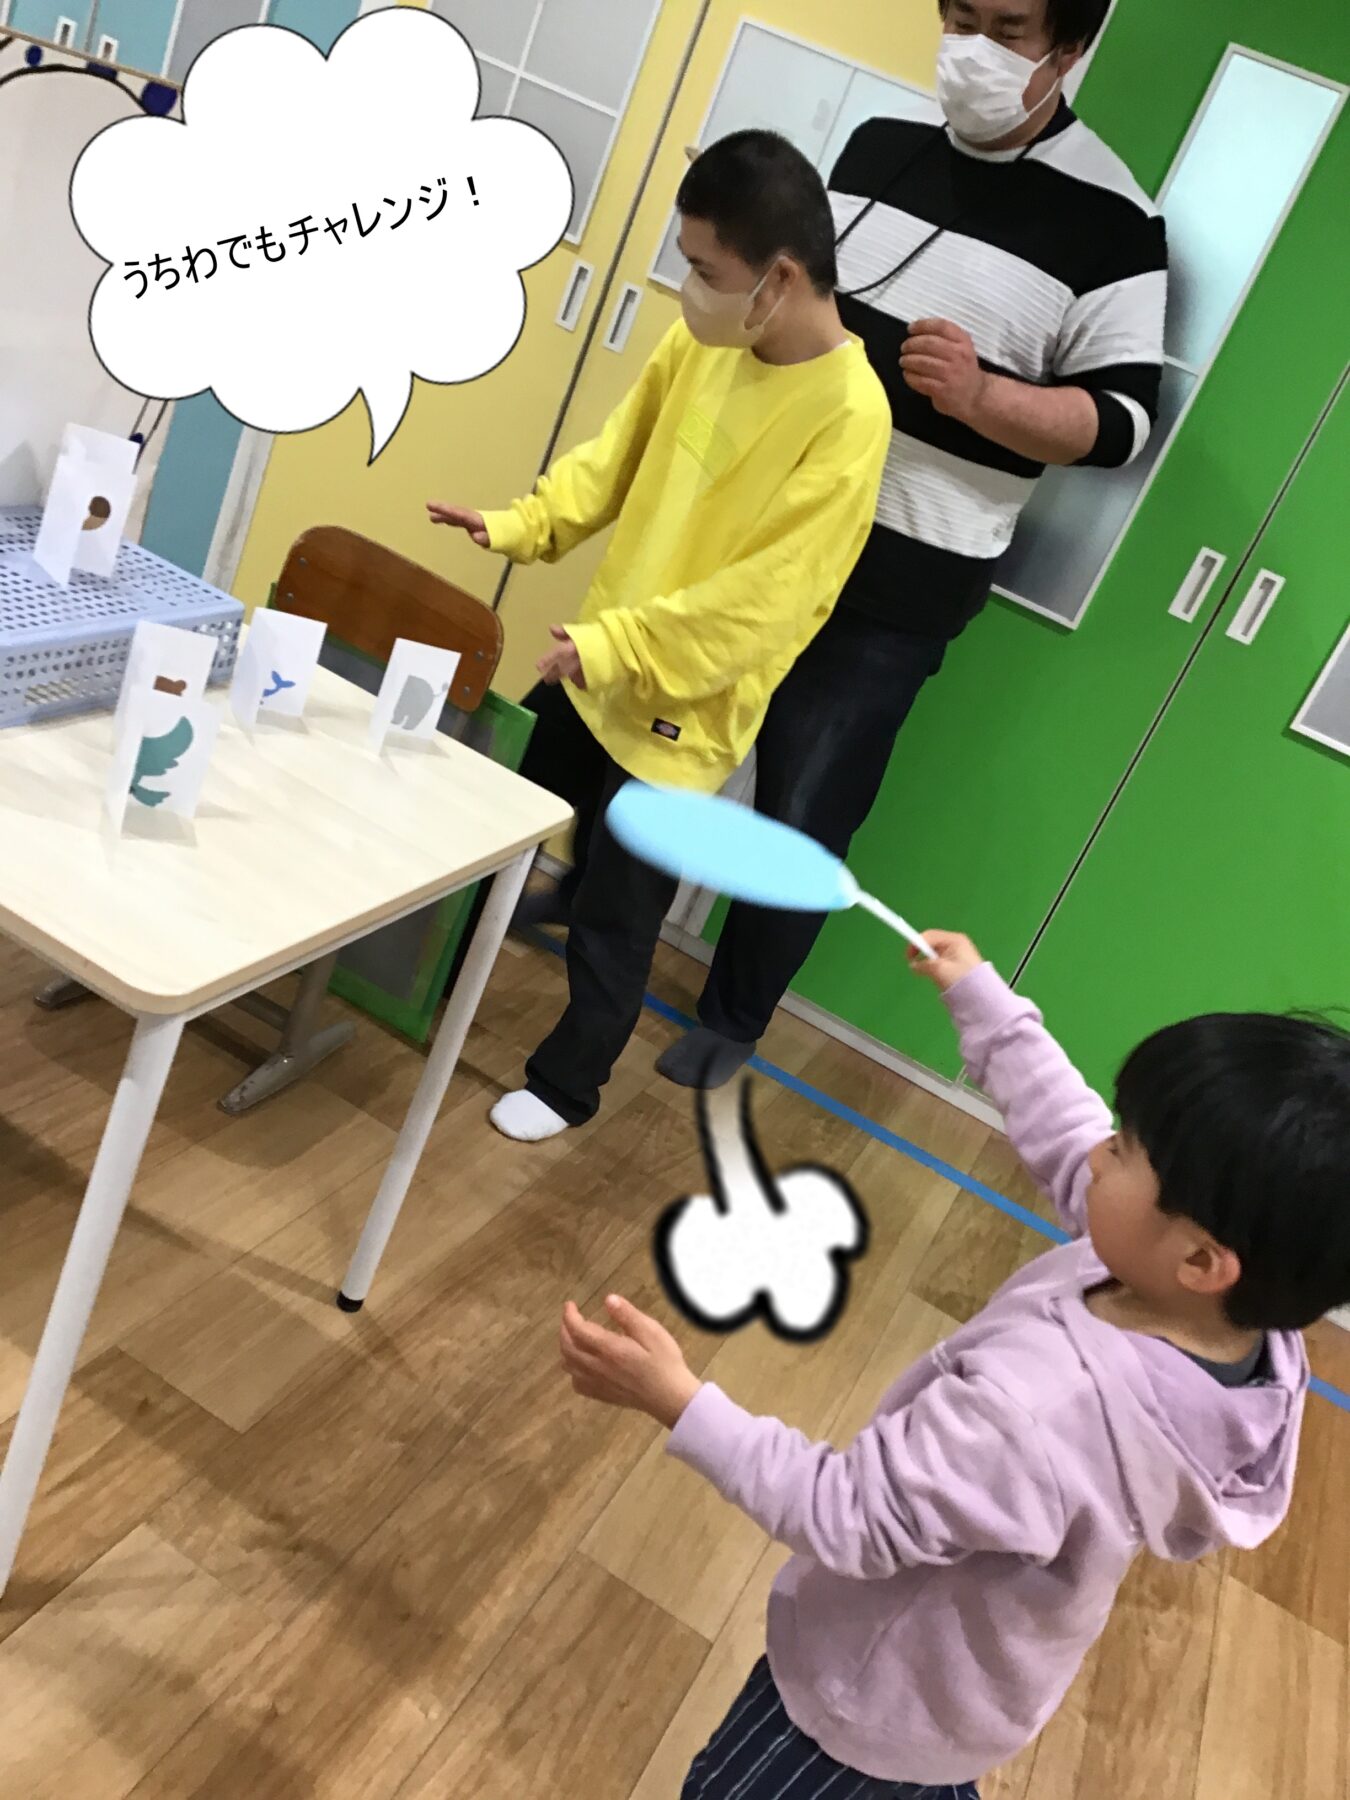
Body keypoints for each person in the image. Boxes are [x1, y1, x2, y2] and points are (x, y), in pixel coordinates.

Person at [560, 930, 1350, 1795]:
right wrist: (984, 1003)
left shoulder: (1036, 1414)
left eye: (1126, 1150)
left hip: (863, 1704)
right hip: (960, 1697)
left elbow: (846, 1512)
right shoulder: (1239, 1334)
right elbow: (1070, 1133)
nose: (1099, 1151)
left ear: (1201, 1259)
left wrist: (678, 1400)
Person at [658, 0, 1171, 1090]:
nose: (972, 48)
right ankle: (596, 908)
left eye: (1008, 28)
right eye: (959, 16)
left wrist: (984, 396)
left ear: (1069, 48)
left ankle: (732, 1018)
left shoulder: (1119, 222)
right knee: (661, 732)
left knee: (804, 804)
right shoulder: (876, 147)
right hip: (763, 530)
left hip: (901, 579)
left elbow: (1123, 423)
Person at [428, 131, 891, 1140]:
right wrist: (523, 524)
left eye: (707, 271)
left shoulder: (851, 417)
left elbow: (769, 600)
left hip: (682, 704)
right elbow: (613, 459)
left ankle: (568, 1086)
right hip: (592, 659)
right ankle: (423, 987)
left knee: (616, 911)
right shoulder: (704, 344)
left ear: (779, 279)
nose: (690, 290)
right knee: (494, 830)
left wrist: (622, 647)